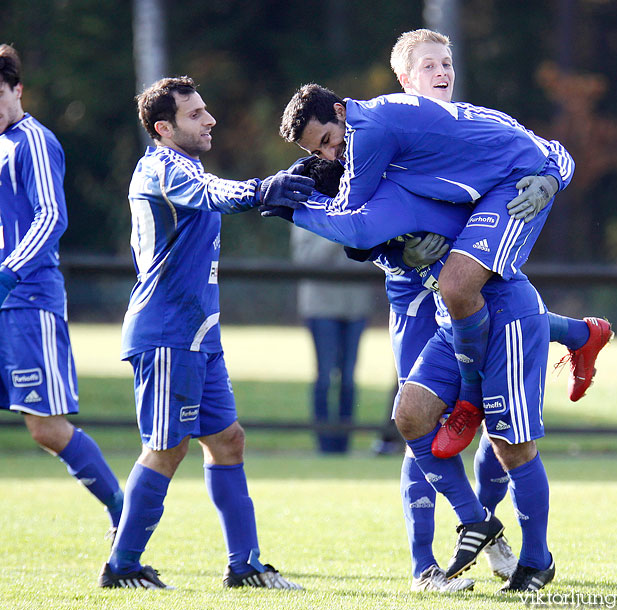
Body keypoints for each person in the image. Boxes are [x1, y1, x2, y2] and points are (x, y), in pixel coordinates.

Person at [277, 75, 569, 592]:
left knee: (510, 444)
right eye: (322, 151)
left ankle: (536, 560)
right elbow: (364, 229)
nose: (441, 73)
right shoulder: (402, 155)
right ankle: (474, 523)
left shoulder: (380, 152)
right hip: (448, 317)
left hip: (501, 309)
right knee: (410, 417)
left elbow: (359, 225)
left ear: (344, 112)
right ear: (406, 77)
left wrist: (291, 205)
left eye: (445, 63)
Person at [97, 76, 313, 590]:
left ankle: (245, 566)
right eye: (195, 115)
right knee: (167, 448)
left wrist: (274, 190)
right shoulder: (164, 167)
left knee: (227, 441)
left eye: (206, 110)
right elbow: (211, 193)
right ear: (163, 128)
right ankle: (122, 567)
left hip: (199, 333)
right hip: (168, 331)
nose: (209, 119)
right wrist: (265, 189)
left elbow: (216, 194)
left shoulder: (184, 166)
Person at [0, 44, 124, 537]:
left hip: (26, 301)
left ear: (17, 90)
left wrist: (8, 272)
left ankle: (123, 514)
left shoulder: (34, 142)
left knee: (45, 429)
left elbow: (51, 216)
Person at [290, 219, 374, 454]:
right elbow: (306, 259)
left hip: (356, 306)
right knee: (325, 376)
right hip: (320, 307)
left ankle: (343, 444)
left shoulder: (358, 212)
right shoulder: (306, 214)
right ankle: (324, 444)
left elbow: (369, 257)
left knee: (348, 378)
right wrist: (340, 233)